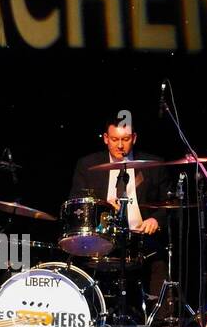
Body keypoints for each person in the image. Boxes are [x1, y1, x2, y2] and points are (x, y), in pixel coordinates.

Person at [69, 113, 171, 300]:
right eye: (115, 139)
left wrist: (156, 219)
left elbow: (171, 204)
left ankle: (160, 322)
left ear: (134, 138)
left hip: (141, 239)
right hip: (101, 239)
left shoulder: (153, 165)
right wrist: (101, 208)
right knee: (77, 257)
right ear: (106, 139)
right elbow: (76, 203)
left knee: (159, 259)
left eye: (125, 139)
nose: (120, 145)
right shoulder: (88, 165)